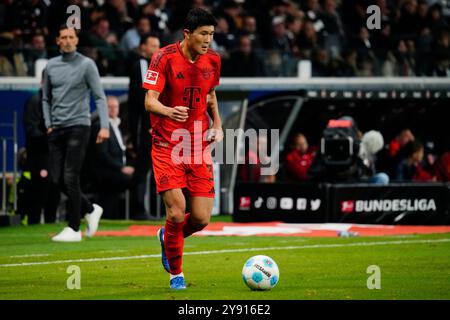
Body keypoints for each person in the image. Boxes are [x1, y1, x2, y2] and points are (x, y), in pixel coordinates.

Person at [143, 8, 223, 290]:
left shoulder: (213, 60)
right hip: (167, 145)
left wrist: (218, 123)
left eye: (212, 34)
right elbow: (149, 101)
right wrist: (168, 111)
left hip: (198, 146)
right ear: (187, 34)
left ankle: (168, 237)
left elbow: (210, 93)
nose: (208, 40)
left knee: (200, 218)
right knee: (177, 211)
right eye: (203, 34)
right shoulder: (163, 57)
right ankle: (176, 275)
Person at [42, 26, 110, 242]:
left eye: (71, 37)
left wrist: (105, 125)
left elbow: (99, 97)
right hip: (56, 127)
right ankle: (90, 209)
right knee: (56, 179)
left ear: (77, 40)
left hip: (79, 125)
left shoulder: (87, 64)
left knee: (71, 176)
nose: (68, 40)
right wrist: (48, 124)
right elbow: (45, 98)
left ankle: (74, 228)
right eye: (64, 37)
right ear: (57, 41)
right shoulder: (50, 66)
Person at [23, 74, 60, 224]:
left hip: (54, 156)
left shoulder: (55, 102)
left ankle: (50, 226)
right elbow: (31, 130)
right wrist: (51, 138)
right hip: (39, 156)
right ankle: (34, 223)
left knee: (54, 193)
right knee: (39, 193)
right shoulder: (34, 101)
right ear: (42, 81)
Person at [90, 96, 135, 219]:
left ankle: (110, 216)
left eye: (115, 107)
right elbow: (102, 154)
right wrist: (121, 168)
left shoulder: (116, 126)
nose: (113, 110)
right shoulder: (100, 127)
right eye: (110, 107)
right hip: (106, 172)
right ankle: (136, 213)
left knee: (110, 197)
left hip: (115, 171)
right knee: (134, 180)